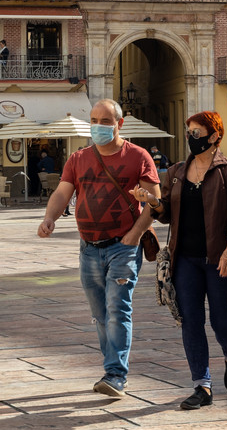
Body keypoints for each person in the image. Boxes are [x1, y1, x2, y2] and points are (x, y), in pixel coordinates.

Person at [36, 99, 160, 398]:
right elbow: (62, 192)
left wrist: (134, 234)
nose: (98, 126)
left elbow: (156, 201)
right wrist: (49, 218)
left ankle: (116, 374)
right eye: (93, 119)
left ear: (119, 124)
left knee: (117, 310)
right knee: (100, 314)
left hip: (122, 247)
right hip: (89, 248)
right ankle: (111, 368)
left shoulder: (138, 156)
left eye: (105, 121)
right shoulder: (78, 159)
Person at [131, 111, 227, 410]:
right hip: (185, 259)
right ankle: (202, 385)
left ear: (214, 136)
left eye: (196, 133)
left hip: (221, 257)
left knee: (223, 321)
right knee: (191, 322)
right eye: (188, 132)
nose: (190, 138)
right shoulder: (177, 172)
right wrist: (153, 201)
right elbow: (167, 213)